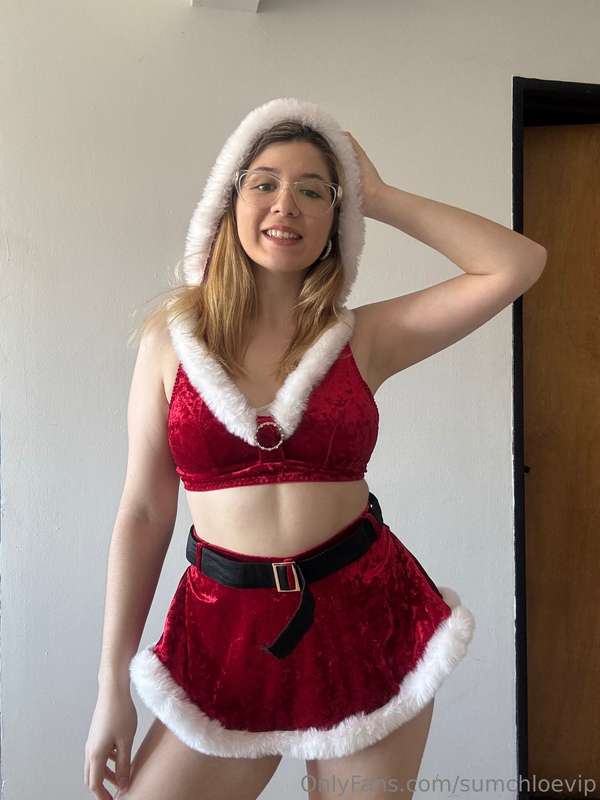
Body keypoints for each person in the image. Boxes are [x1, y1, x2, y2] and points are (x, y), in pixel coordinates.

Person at [84, 97, 545, 800]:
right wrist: (111, 686)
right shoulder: (169, 344)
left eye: (313, 190)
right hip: (225, 635)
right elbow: (145, 512)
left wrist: (379, 197)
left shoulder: (364, 337)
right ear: (228, 200)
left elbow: (515, 264)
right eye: (265, 183)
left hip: (368, 622)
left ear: (336, 219)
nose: (286, 204)